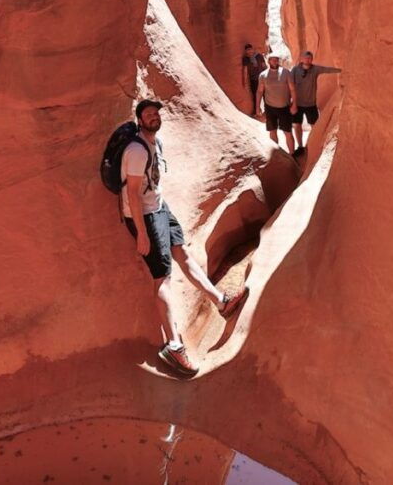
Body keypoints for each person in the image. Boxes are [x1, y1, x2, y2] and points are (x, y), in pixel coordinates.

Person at [122, 100, 249, 377]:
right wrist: (142, 233)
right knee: (162, 278)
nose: (154, 117)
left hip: (159, 207)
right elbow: (132, 193)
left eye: (156, 114)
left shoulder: (156, 143)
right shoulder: (135, 150)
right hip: (144, 215)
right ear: (140, 119)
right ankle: (173, 345)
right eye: (148, 115)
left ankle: (221, 302)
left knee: (183, 254)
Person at [290, 51, 342, 155]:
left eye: (310, 58)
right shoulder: (295, 70)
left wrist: (342, 70)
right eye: (306, 58)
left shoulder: (315, 69)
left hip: (311, 104)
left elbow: (327, 70)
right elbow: (290, 86)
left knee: (314, 126)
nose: (308, 60)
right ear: (301, 59)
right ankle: (300, 146)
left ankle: (314, 145)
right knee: (297, 125)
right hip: (298, 104)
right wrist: (291, 103)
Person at [255, 55, 298, 154]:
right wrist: (257, 107)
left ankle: (292, 155)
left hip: (284, 107)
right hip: (270, 108)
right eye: (272, 60)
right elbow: (259, 92)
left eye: (276, 60)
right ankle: (277, 156)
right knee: (272, 131)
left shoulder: (286, 72)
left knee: (287, 132)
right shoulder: (263, 75)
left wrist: (294, 104)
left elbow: (292, 89)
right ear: (268, 61)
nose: (275, 62)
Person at [241, 44, 266, 116]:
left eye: (250, 50)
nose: (249, 52)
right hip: (253, 79)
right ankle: (256, 111)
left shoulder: (259, 56)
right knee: (255, 95)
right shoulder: (245, 59)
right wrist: (245, 82)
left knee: (265, 94)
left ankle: (267, 110)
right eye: (247, 51)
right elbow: (245, 71)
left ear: (252, 49)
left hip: (262, 78)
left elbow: (264, 66)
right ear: (246, 51)